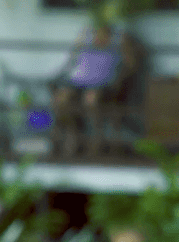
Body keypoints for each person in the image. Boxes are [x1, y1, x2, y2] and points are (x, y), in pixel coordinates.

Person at [50, 22, 140, 156]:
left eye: (104, 35)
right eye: (97, 34)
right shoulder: (87, 48)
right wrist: (81, 38)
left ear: (109, 37)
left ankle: (95, 138)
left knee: (90, 99)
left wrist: (124, 41)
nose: (99, 38)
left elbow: (131, 64)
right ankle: (71, 132)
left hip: (102, 85)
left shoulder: (115, 50)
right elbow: (72, 57)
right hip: (77, 83)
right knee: (61, 99)